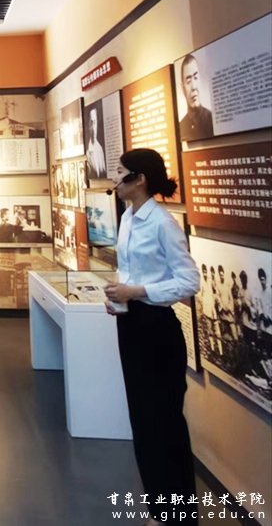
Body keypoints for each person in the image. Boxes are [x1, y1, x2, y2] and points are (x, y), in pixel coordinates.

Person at [103, 148, 200, 526]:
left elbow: (189, 281)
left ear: (139, 179)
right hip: (132, 324)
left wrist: (137, 292)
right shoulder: (128, 217)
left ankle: (180, 516)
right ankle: (160, 511)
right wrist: (119, 298)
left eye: (121, 172)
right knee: (143, 421)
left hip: (157, 330)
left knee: (164, 422)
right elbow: (130, 271)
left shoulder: (162, 223)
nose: (115, 179)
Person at [179, 54, 214, 141]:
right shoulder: (180, 127)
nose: (193, 87)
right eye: (188, 81)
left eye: (196, 78)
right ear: (183, 88)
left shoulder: (213, 120)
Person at [86, 107, 107, 179]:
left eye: (95, 122)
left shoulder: (100, 149)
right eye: (91, 123)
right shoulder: (87, 152)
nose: (93, 128)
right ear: (88, 125)